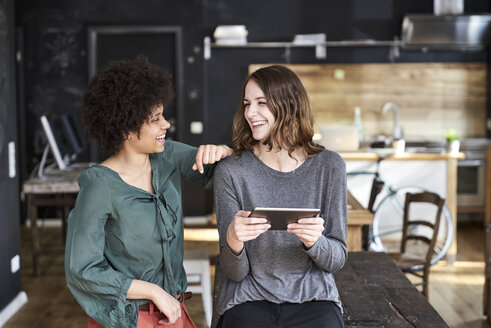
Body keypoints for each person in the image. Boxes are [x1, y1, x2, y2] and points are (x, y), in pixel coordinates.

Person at [64, 55, 232, 328]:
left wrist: (226, 152)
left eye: (162, 115)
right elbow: (83, 269)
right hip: (128, 318)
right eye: (155, 119)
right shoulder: (99, 185)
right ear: (126, 127)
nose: (166, 124)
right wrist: (152, 291)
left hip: (174, 311)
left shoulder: (168, 156)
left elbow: (223, 176)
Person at [213, 65, 347, 328]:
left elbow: (337, 258)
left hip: (314, 300)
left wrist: (315, 242)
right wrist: (233, 239)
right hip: (247, 300)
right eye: (247, 104)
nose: (250, 113)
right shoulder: (231, 171)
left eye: (261, 103)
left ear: (289, 105)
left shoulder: (329, 166)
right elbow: (234, 273)